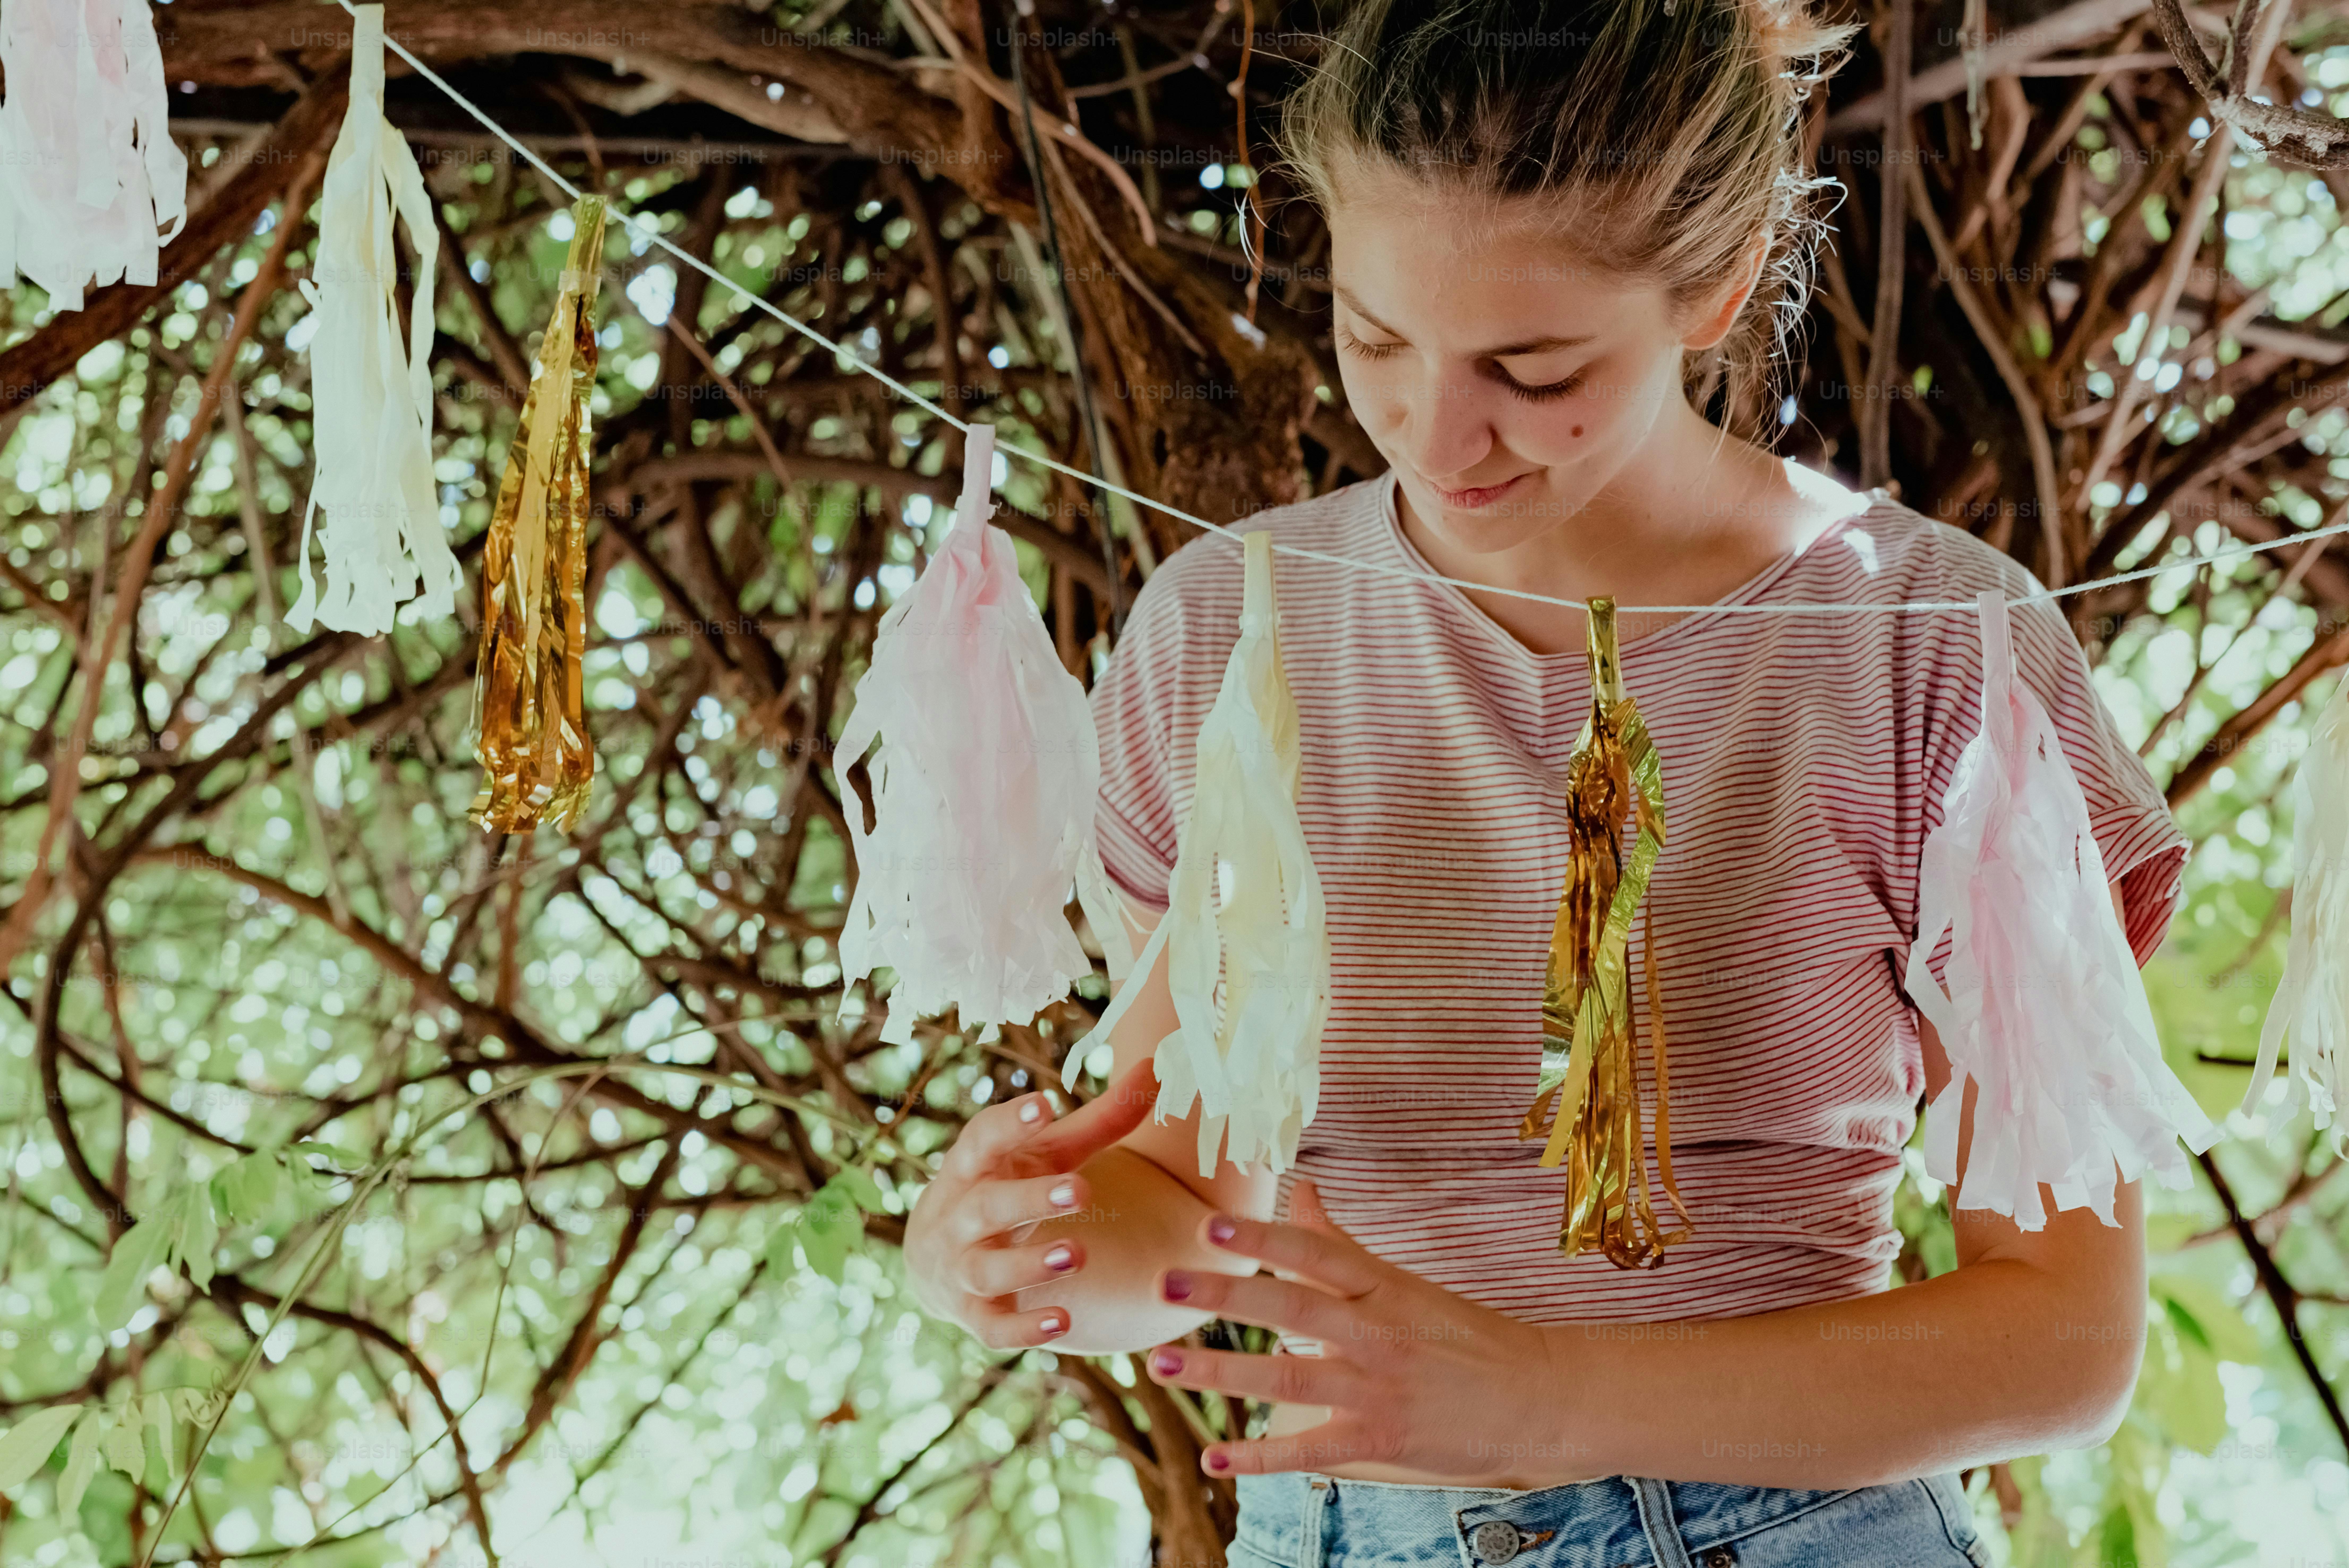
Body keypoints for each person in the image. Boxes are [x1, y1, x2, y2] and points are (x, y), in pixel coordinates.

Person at [905, 0, 2192, 1562]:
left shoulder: (1939, 643)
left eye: (1533, 367)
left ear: (1717, 289)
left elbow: (2066, 1341)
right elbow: (1184, 1189)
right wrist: (1019, 1251)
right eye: (1376, 339)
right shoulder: (1223, 636)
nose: (1438, 436)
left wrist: (1547, 1398)